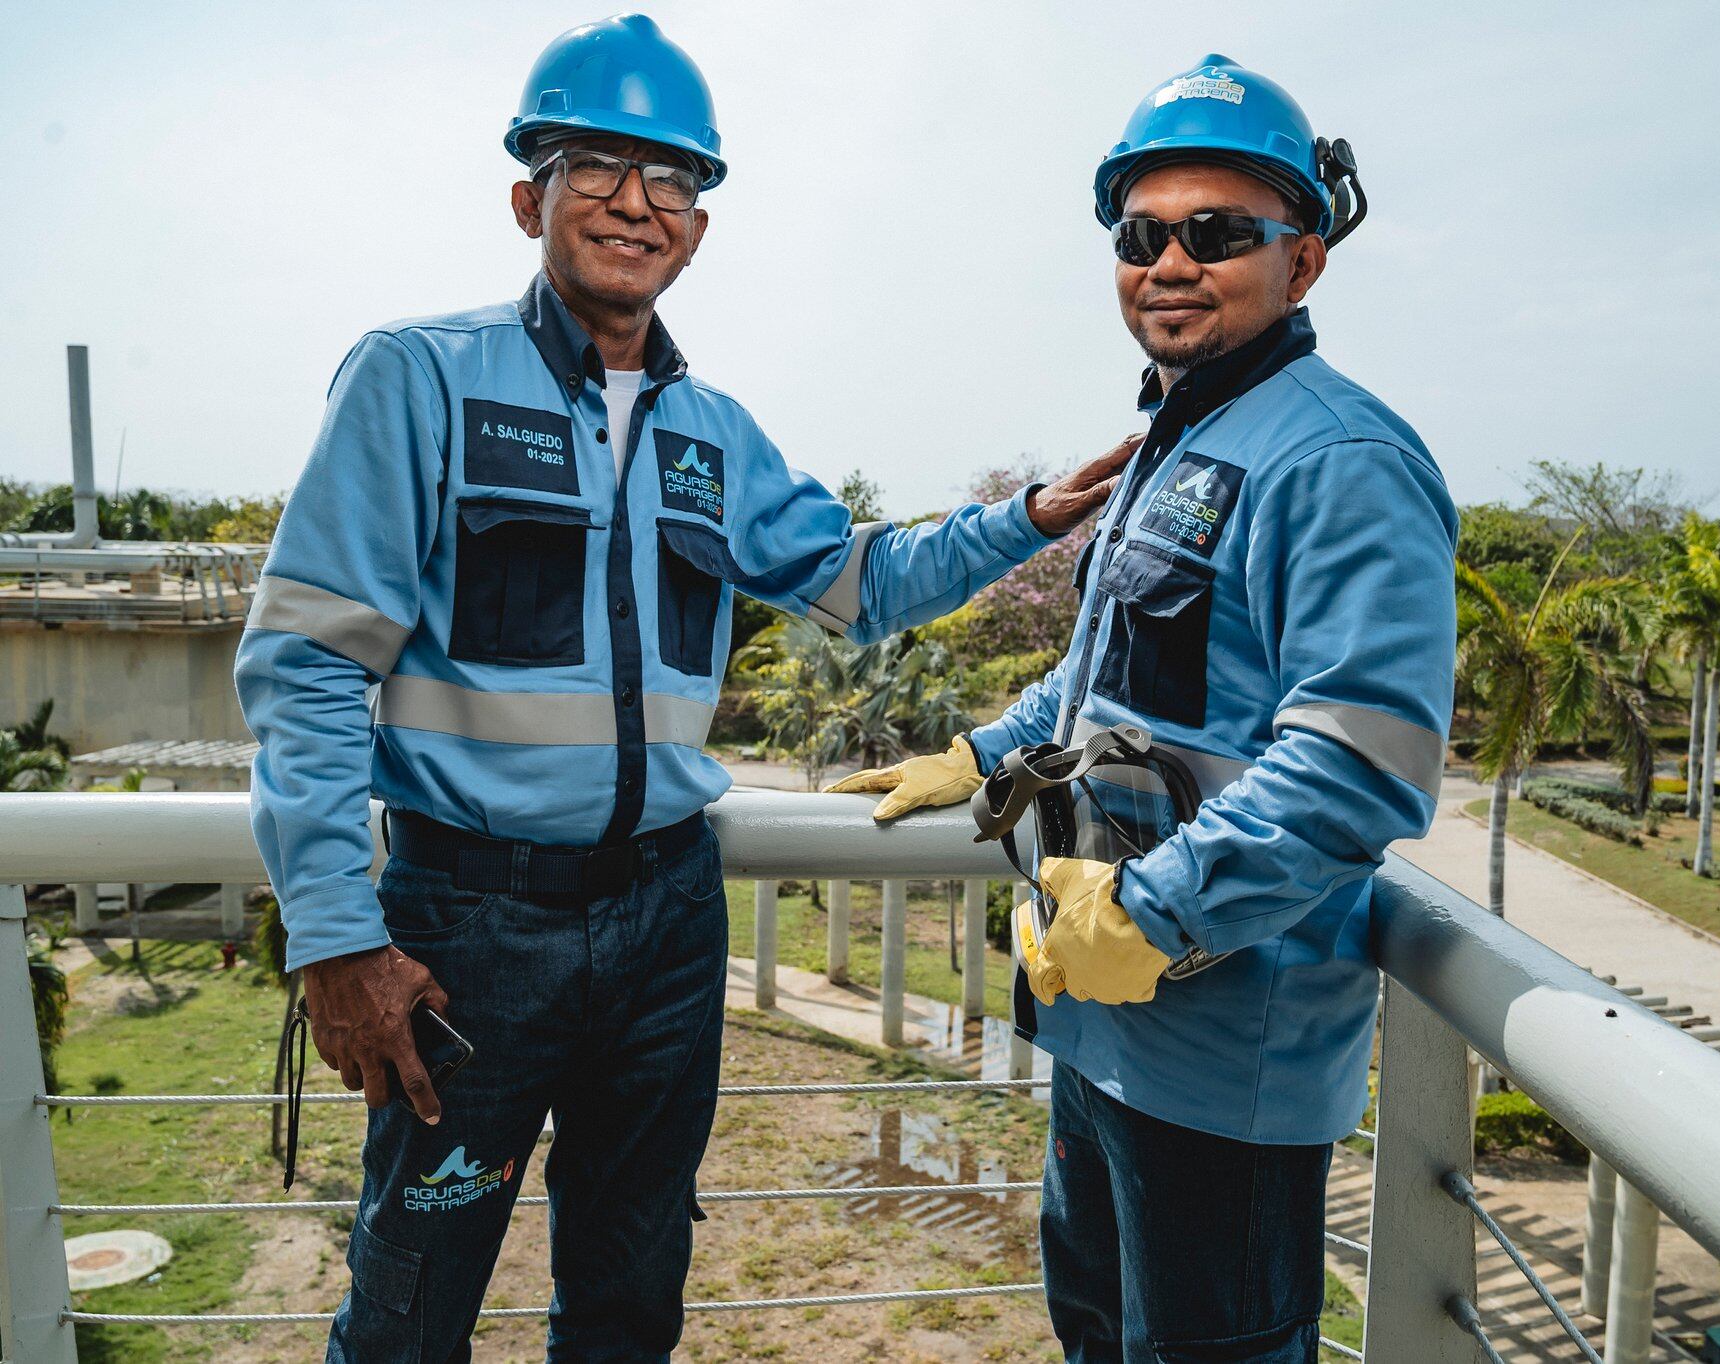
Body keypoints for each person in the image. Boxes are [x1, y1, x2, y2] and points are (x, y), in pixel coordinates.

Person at [234, 15, 1129, 1361]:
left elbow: (857, 579)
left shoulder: (711, 435)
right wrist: (335, 934)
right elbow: (302, 667)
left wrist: (1029, 517)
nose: (637, 205)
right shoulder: (419, 380)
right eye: (599, 167)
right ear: (530, 194)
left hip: (664, 925)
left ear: (699, 227)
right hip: (471, 931)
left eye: (674, 182)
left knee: (630, 1295)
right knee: (413, 1293)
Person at [833, 55, 1456, 1363]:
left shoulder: (1340, 459)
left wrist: (1153, 916)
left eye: (1217, 232)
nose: (1168, 262)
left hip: (1227, 1047)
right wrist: (984, 753)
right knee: (1098, 1335)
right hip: (1103, 1015)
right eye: (1141, 233)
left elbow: (1361, 763)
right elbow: (1106, 679)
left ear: (1306, 259)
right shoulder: (1177, 444)